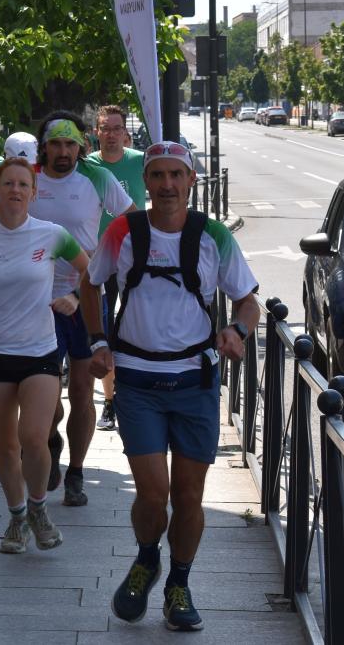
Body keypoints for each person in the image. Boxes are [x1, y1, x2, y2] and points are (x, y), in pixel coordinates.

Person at [82, 141, 259, 632]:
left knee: (188, 496)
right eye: (156, 176)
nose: (165, 186)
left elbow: (248, 302)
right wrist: (98, 340)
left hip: (195, 381)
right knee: (153, 493)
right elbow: (90, 282)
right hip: (136, 379)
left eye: (175, 176)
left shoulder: (213, 235)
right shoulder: (123, 231)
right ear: (147, 182)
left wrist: (236, 332)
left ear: (190, 182)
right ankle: (145, 559)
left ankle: (178, 583)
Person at [0, 158, 89, 555]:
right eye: (8, 183)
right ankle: (17, 516)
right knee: (5, 445)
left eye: (23, 185)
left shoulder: (52, 235)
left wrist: (73, 295)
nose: (15, 190)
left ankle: (38, 508)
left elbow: (92, 268)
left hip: (40, 350)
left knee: (34, 437)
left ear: (34, 194)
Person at [30, 113, 133, 507]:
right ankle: (51, 440)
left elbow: (130, 222)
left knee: (81, 391)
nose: (62, 152)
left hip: (85, 299)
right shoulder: (29, 178)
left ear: (80, 146)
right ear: (44, 147)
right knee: (46, 397)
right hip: (35, 304)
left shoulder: (96, 178)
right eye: (55, 144)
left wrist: (106, 261)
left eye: (69, 144)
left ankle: (75, 471)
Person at [84, 105, 146, 432]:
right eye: (105, 128)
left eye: (116, 128)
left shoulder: (139, 161)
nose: (111, 134)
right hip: (96, 258)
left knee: (134, 328)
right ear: (97, 132)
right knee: (104, 332)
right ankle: (109, 402)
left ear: (125, 132)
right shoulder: (87, 167)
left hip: (132, 256)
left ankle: (131, 397)